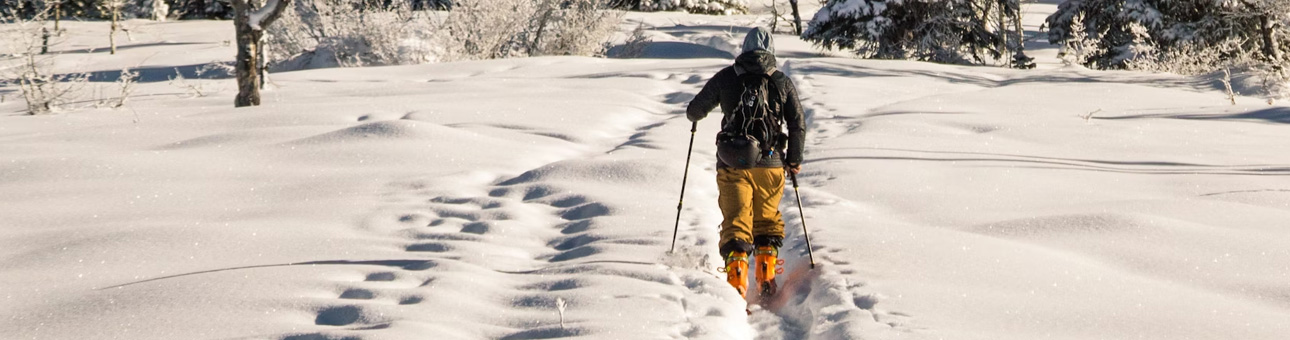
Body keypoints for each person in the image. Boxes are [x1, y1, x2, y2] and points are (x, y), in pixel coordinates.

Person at [686, 27, 805, 299]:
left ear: (743, 49)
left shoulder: (727, 77)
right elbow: (798, 122)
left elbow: (694, 111)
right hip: (771, 165)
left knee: (736, 223)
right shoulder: (781, 81)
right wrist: (794, 159)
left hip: (732, 162)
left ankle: (737, 286)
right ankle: (766, 276)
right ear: (771, 51)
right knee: (767, 222)